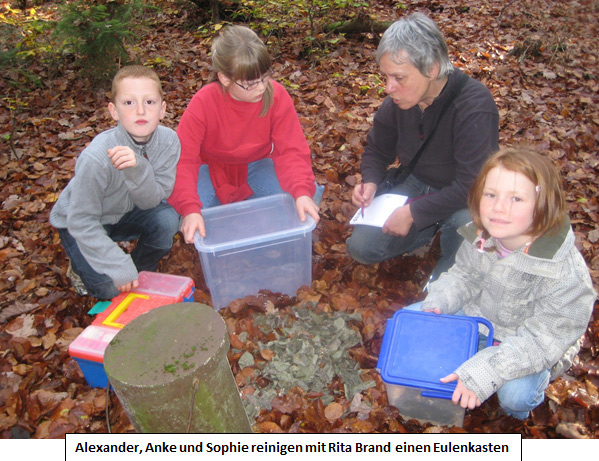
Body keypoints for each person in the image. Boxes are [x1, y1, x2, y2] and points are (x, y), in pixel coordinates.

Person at [409, 147, 596, 419]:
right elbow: (464, 275)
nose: (499, 207)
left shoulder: (564, 272)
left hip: (533, 343)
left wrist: (491, 368)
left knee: (515, 396)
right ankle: (474, 357)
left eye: (517, 199)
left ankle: (528, 393)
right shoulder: (482, 236)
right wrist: (440, 302)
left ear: (543, 205)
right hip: (481, 316)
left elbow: (544, 339)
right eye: (491, 194)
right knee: (414, 318)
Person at [347, 13, 499, 283]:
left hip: (463, 197)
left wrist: (414, 213)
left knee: (449, 282)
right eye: (386, 77)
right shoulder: (397, 103)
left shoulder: (474, 106)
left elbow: (472, 185)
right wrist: (370, 181)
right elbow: (377, 150)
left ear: (432, 68)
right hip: (417, 183)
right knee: (361, 248)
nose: (388, 87)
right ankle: (429, 229)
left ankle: (447, 242)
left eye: (399, 78)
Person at [168, 25, 322, 244]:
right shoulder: (204, 102)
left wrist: (301, 191)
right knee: (184, 215)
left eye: (265, 77)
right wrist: (189, 207)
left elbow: (291, 151)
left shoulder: (276, 95)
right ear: (224, 79)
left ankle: (250, 216)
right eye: (250, 83)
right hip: (210, 170)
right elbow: (183, 160)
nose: (261, 88)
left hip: (256, 165)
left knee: (307, 197)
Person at [50, 65, 181, 299]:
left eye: (149, 102)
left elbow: (152, 201)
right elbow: (81, 220)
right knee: (110, 290)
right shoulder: (97, 157)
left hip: (124, 212)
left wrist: (138, 168)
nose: (140, 110)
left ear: (162, 109)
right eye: (129, 103)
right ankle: (88, 267)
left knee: (168, 219)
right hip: (81, 222)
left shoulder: (169, 141)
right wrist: (115, 265)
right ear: (113, 111)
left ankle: (136, 270)